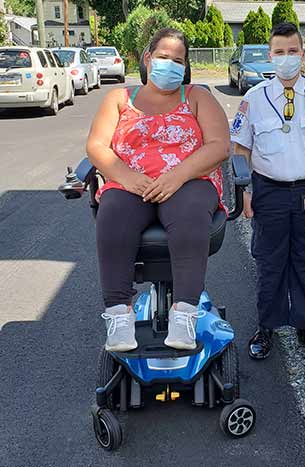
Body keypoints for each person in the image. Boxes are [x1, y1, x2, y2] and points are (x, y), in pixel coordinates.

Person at [86, 28, 230, 352]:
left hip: (189, 180)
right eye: (163, 57)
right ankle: (119, 316)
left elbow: (220, 146)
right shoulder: (118, 99)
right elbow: (96, 146)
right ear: (148, 58)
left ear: (186, 66)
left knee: (191, 212)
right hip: (130, 182)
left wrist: (177, 175)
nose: (170, 65)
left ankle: (184, 315)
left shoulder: (197, 97)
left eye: (178, 60)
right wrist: (126, 176)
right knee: (113, 212)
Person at [231, 22, 305, 360]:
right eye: (279, 52)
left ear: (303, 53)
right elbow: (241, 149)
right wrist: (246, 193)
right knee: (270, 261)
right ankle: (266, 327)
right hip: (269, 191)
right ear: (270, 56)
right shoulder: (254, 99)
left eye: (292, 51)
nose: (286, 58)